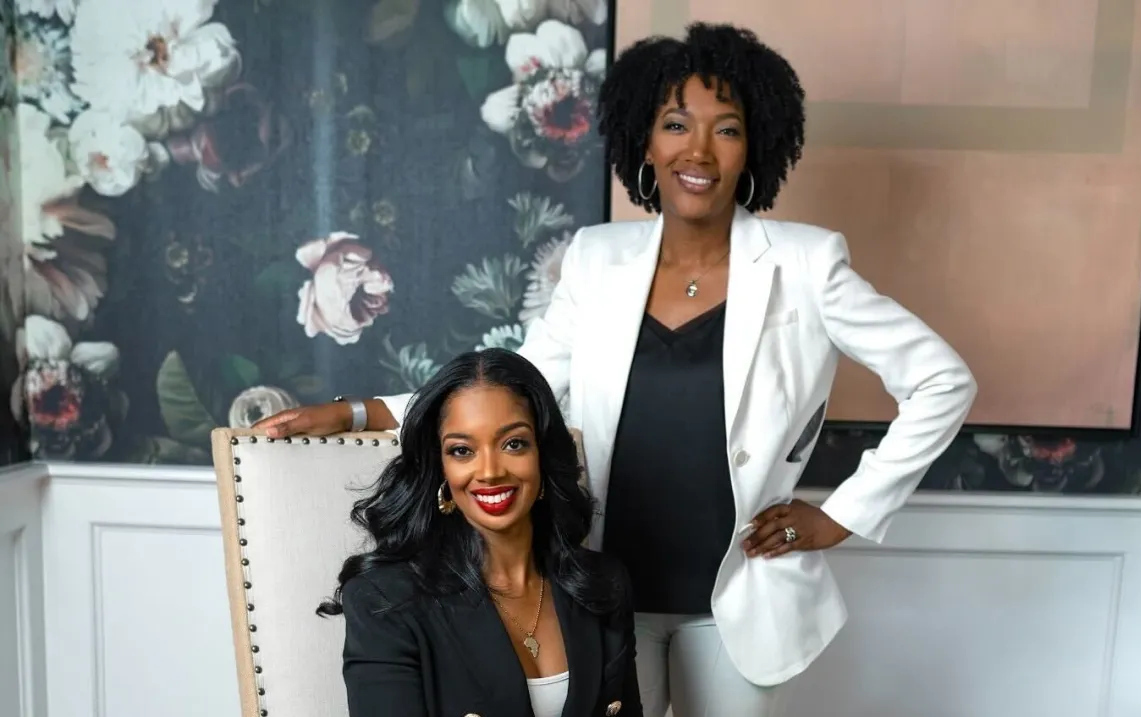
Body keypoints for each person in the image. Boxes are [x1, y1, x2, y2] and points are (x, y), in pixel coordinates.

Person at [263, 22, 976, 717]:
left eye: (726, 128)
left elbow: (943, 381)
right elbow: (515, 384)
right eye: (675, 124)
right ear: (644, 138)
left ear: (755, 143)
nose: (698, 149)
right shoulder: (597, 258)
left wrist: (842, 515)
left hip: (738, 604)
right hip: (601, 593)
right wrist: (358, 412)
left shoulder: (806, 263)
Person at [315, 349, 642, 717]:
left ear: (543, 454)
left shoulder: (602, 584)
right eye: (462, 450)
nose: (489, 472)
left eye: (513, 444)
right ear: (441, 467)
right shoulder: (385, 601)